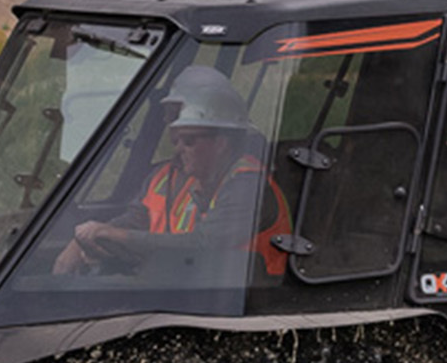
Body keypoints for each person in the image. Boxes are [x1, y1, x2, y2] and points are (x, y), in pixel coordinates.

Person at [52, 66, 290, 276]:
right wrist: (87, 239)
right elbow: (137, 219)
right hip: (173, 285)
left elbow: (203, 245)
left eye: (180, 117)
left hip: (238, 300)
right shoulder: (164, 176)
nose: (171, 127)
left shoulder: (247, 184)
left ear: (221, 141)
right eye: (170, 118)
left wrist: (116, 235)